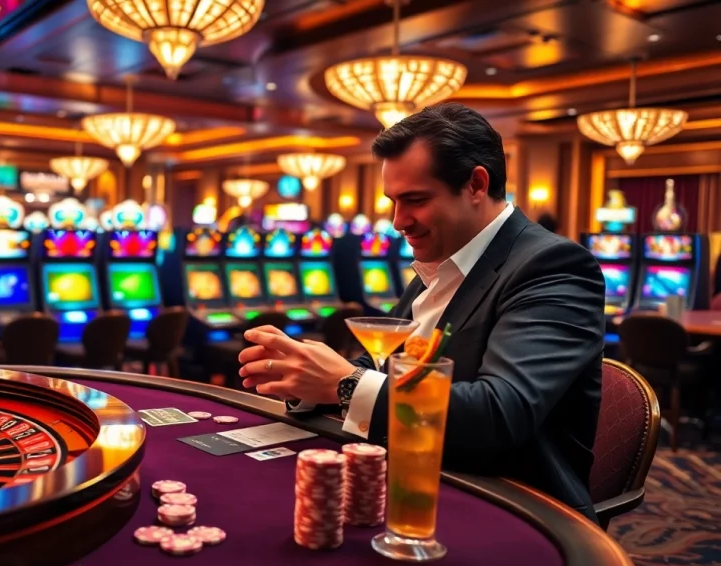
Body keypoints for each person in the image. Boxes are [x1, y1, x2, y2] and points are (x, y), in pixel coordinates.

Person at [237, 103, 605, 522]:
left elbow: (500, 414)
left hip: (516, 508)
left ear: (476, 184)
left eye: (415, 200)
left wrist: (342, 384)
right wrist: (304, 379)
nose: (397, 221)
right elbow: (383, 366)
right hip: (420, 482)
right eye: (393, 201)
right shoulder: (442, 259)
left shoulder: (553, 266)